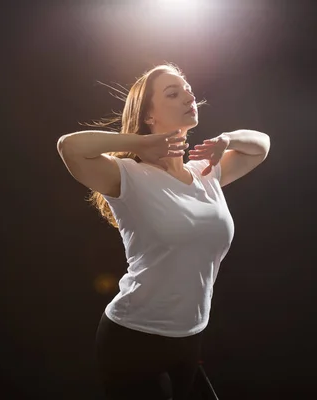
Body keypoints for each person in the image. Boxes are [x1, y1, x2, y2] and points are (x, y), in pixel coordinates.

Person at [56, 63, 270, 399]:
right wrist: (139, 144)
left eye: (188, 89)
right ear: (149, 116)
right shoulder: (126, 175)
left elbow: (262, 145)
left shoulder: (206, 172)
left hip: (190, 337)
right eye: (173, 93)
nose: (188, 95)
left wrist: (226, 139)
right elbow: (69, 147)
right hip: (132, 339)